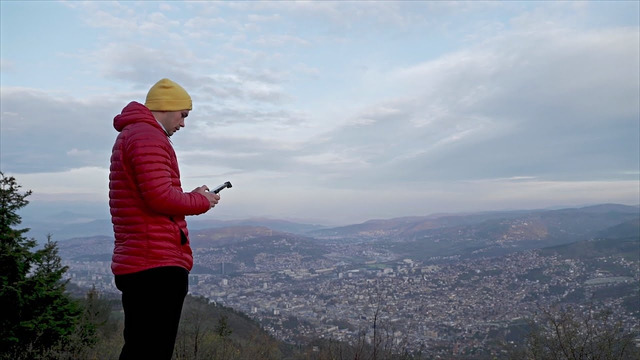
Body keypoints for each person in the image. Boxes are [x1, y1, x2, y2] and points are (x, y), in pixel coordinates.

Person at [109, 78, 220, 360]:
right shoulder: (148, 137)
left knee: (140, 346)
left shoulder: (134, 135)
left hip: (141, 258)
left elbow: (154, 192)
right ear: (167, 108)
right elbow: (159, 198)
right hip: (155, 263)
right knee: (152, 349)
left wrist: (188, 195)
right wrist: (201, 201)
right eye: (183, 115)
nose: (183, 124)